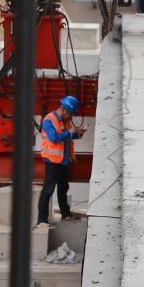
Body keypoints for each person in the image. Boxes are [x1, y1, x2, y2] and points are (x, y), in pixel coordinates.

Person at [37, 96, 86, 227]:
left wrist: (77, 134)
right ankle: (42, 220)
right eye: (70, 114)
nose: (71, 117)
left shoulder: (64, 121)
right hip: (52, 161)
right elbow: (54, 138)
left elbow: (66, 136)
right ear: (64, 110)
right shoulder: (48, 120)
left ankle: (65, 214)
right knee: (48, 190)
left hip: (63, 161)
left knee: (63, 188)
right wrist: (70, 132)